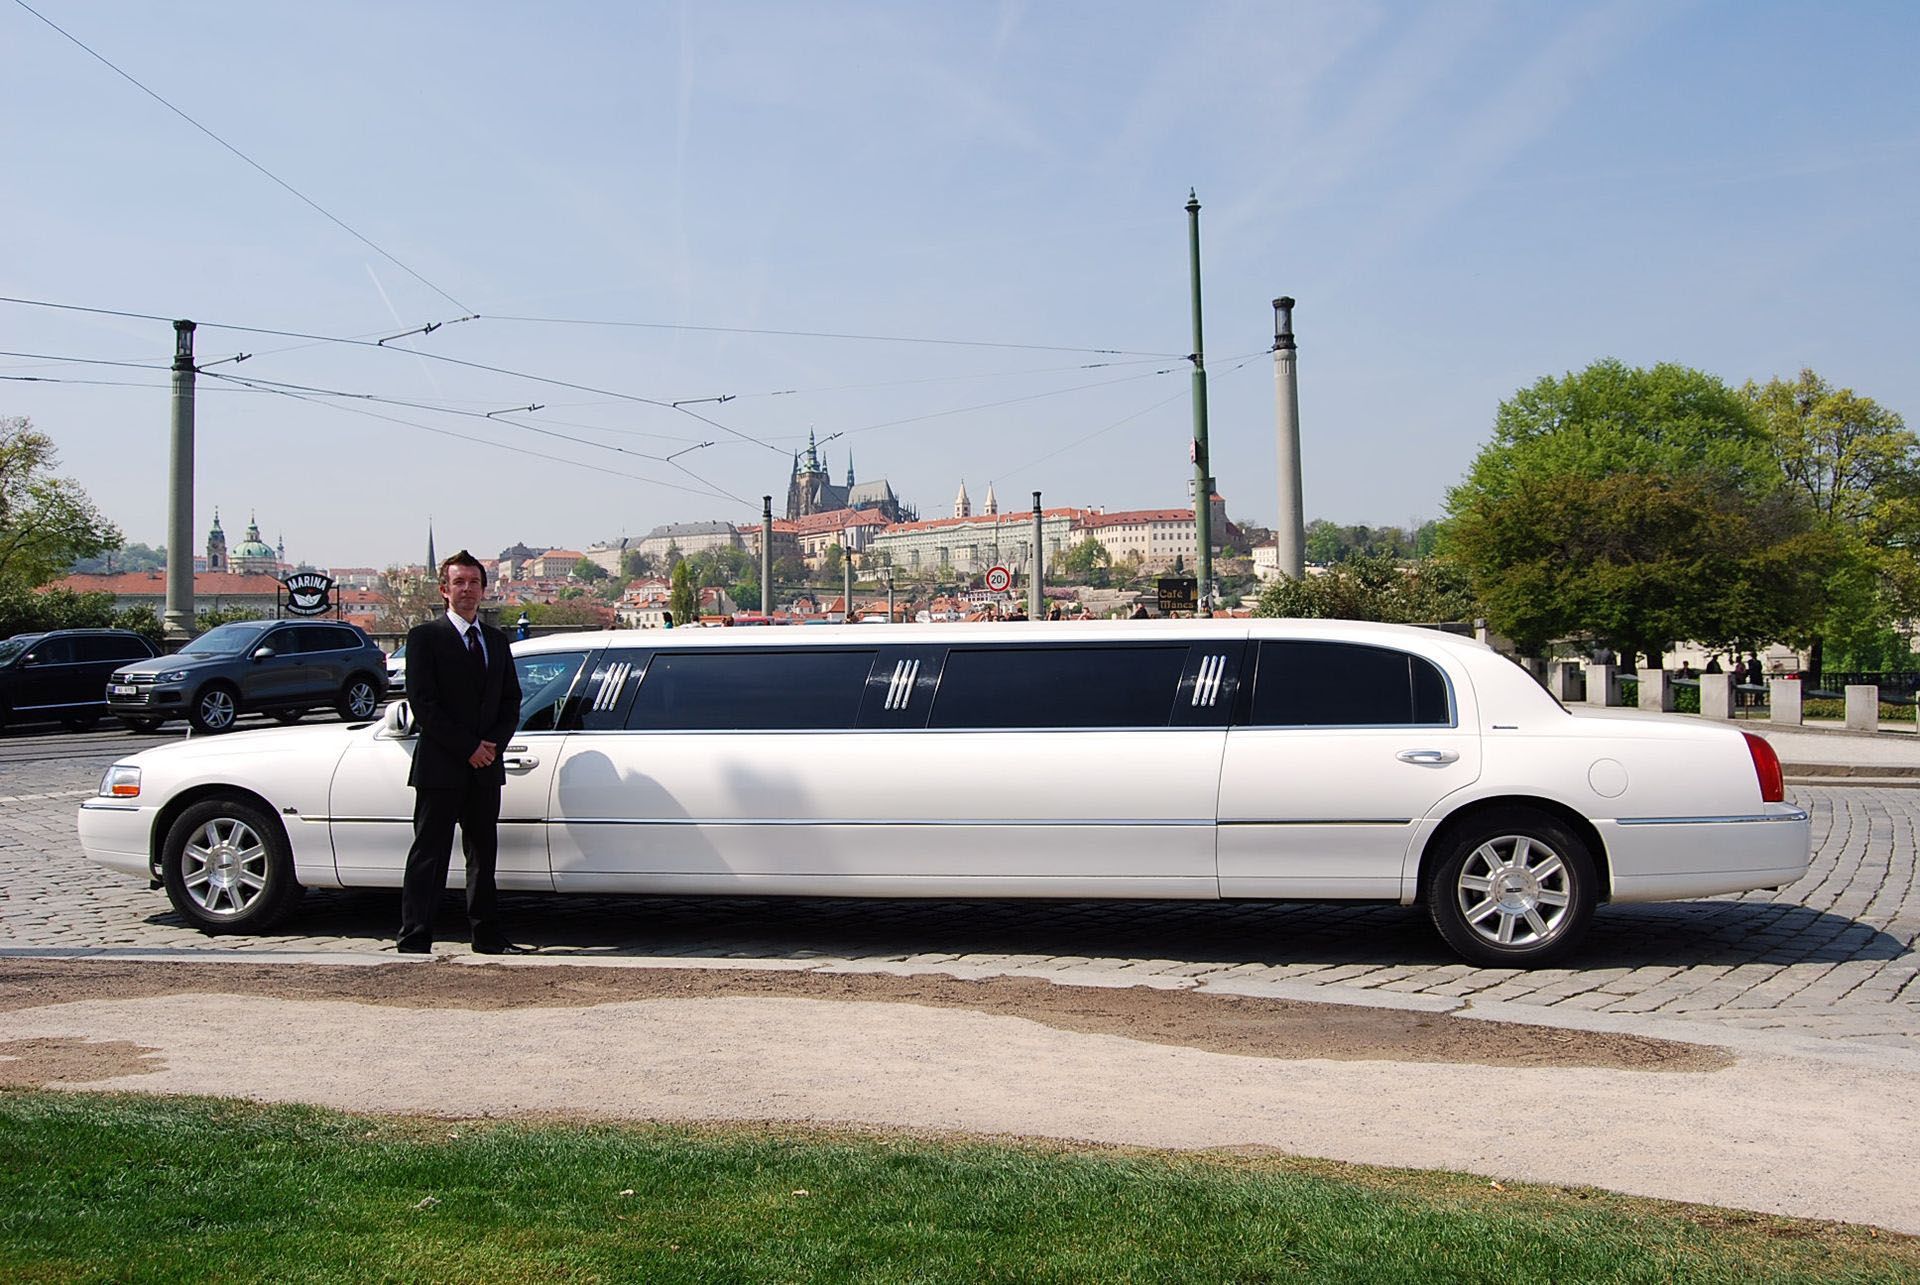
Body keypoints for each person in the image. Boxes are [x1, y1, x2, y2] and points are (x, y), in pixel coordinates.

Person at [397, 550, 526, 955]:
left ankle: (487, 936)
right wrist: (469, 747)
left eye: (473, 582)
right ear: (444, 590)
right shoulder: (425, 638)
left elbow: (511, 701)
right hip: (441, 768)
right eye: (459, 582)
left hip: (485, 768)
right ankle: (415, 937)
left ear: (484, 590)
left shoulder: (495, 641)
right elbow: (424, 705)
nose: (467, 590)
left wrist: (490, 749)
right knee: (428, 855)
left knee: (483, 854)